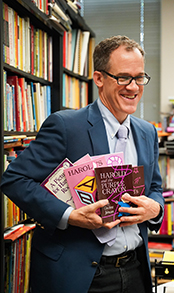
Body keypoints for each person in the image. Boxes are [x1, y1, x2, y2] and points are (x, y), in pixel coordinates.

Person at [1, 35, 164, 293]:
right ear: (99, 78)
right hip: (80, 275)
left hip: (135, 271)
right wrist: (70, 216)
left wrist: (154, 209)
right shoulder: (66, 126)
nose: (133, 87)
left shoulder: (147, 132)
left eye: (139, 77)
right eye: (123, 77)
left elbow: (155, 186)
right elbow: (14, 180)